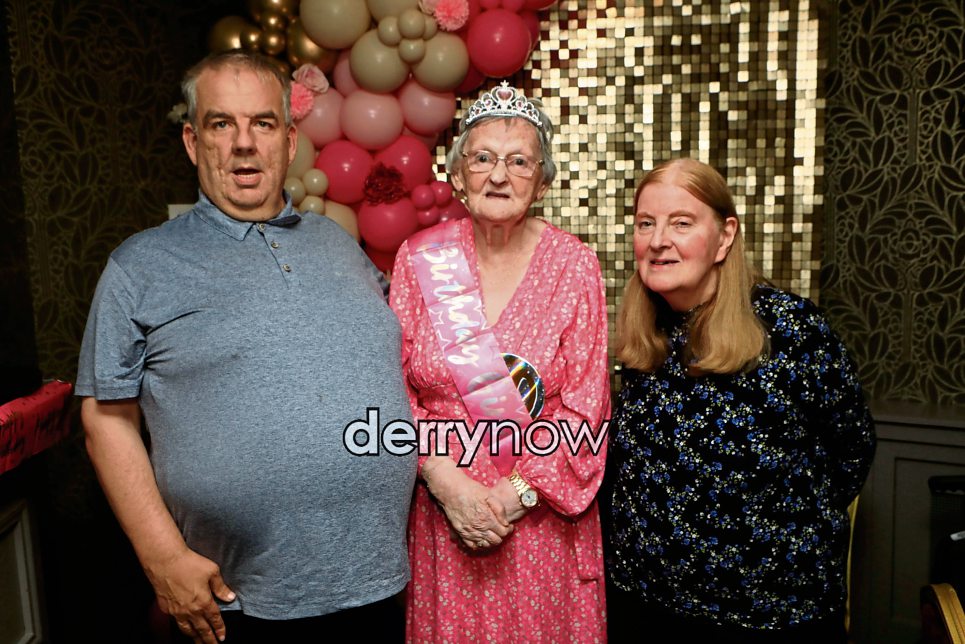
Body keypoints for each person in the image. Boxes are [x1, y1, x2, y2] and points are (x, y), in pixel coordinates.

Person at [76, 50, 415, 644]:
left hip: (379, 583)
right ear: (192, 141)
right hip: (237, 602)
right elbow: (106, 421)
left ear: (288, 140)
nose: (243, 143)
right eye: (220, 123)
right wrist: (161, 556)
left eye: (262, 123)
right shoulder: (140, 266)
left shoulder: (338, 243)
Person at [604, 158, 876, 643]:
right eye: (646, 224)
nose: (658, 240)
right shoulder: (645, 333)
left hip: (769, 614)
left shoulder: (790, 329)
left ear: (725, 236)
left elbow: (851, 450)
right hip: (644, 605)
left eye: (681, 223)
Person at [389, 82, 610, 642]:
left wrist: (512, 496)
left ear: (542, 181)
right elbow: (392, 392)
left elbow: (587, 406)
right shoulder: (419, 259)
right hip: (446, 516)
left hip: (540, 522)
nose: (499, 176)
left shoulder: (575, 266)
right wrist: (449, 486)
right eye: (482, 158)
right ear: (458, 176)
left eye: (518, 161)